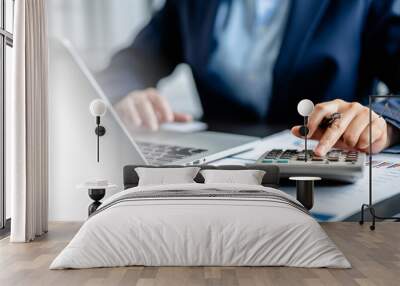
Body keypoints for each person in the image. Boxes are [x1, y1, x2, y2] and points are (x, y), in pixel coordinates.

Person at [97, 0, 400, 156]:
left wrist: (383, 121)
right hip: (219, 168)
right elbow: (129, 64)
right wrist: (126, 96)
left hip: (322, 163)